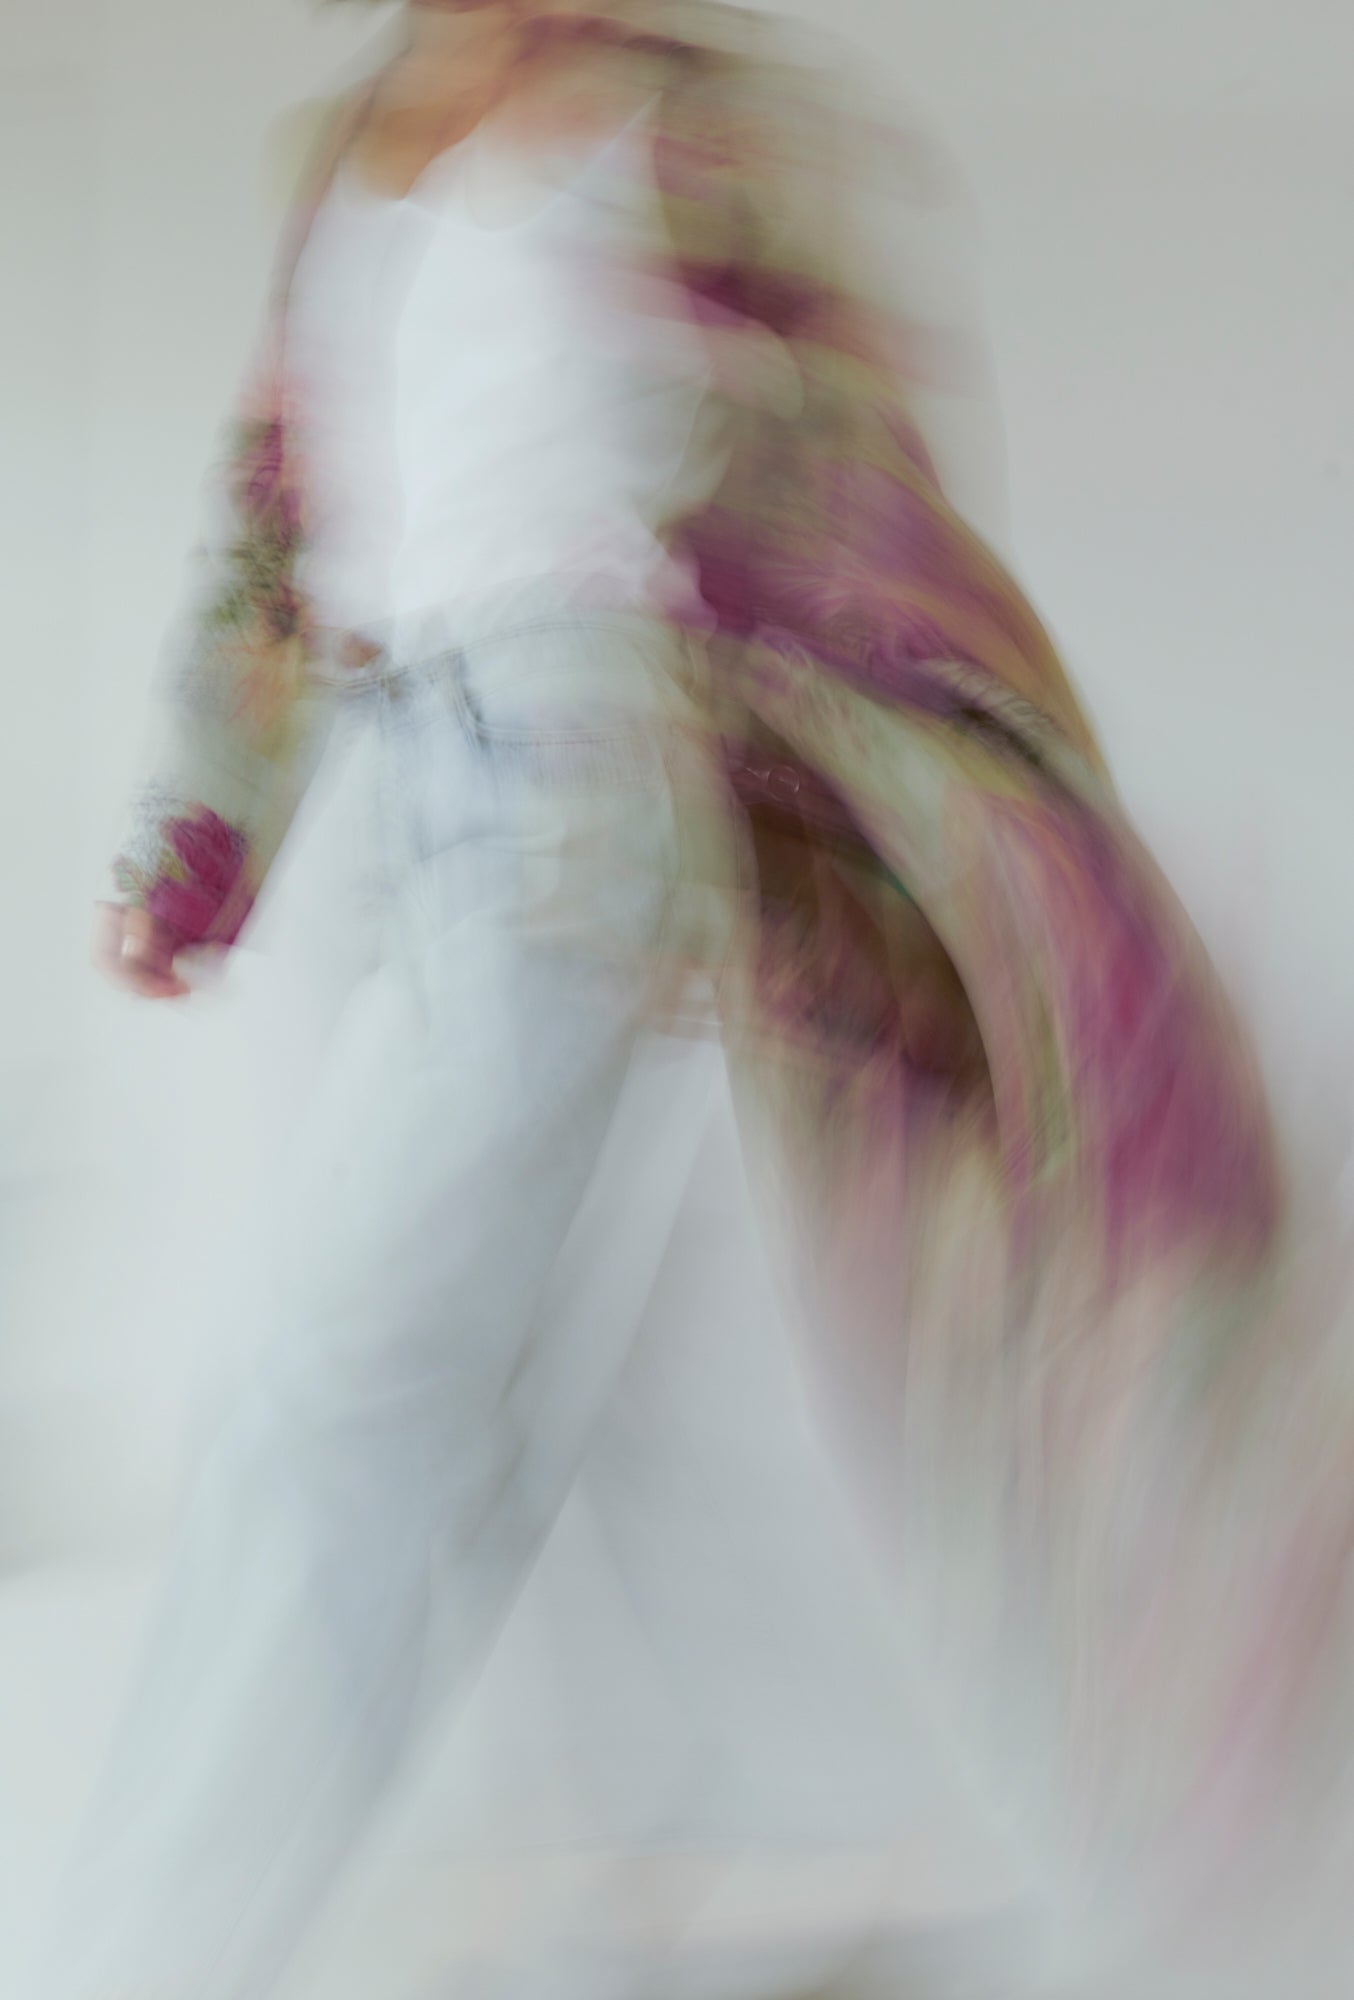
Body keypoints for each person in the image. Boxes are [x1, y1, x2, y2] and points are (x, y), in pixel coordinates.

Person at [52, 1, 1336, 1996]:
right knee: (585, 1375)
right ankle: (809, 1847)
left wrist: (953, 832)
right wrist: (195, 842)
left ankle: (144, 1941)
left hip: (585, 788)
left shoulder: (695, 126)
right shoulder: (355, 139)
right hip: (406, 802)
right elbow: (275, 530)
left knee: (344, 1391)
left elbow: (861, 510)